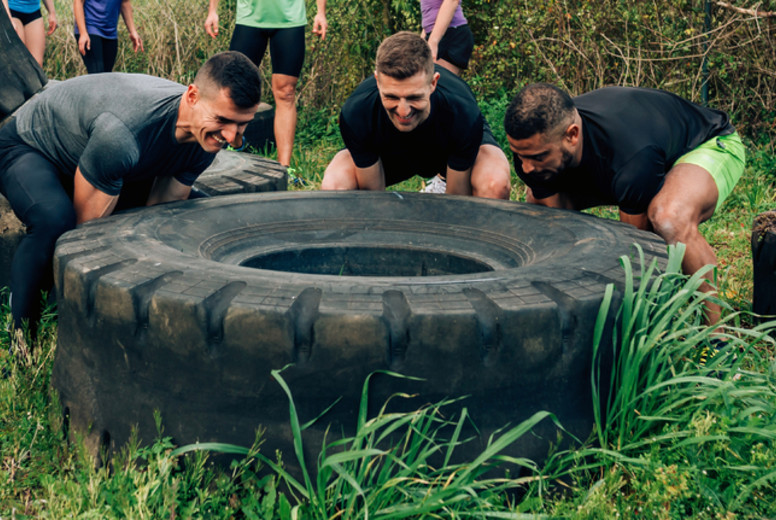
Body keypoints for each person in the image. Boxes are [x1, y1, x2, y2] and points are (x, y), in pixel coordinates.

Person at [0, 51, 261, 342]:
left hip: (94, 156)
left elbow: (161, 214)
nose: (231, 136)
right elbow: (83, 238)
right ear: (192, 96)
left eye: (242, 123)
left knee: (193, 210)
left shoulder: (206, 139)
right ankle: (22, 336)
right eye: (223, 120)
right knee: (56, 219)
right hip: (29, 146)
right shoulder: (123, 136)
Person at [504, 83, 745, 323]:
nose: (526, 167)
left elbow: (638, 251)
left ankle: (716, 337)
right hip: (636, 161)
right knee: (539, 203)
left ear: (572, 135)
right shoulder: (532, 153)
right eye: (519, 155)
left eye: (538, 157)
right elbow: (559, 228)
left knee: (668, 217)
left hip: (707, 143)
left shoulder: (630, 157)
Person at [321, 31, 510, 200]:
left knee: (494, 183)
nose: (403, 111)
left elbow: (456, 202)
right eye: (391, 97)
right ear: (378, 81)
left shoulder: (461, 110)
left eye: (414, 97)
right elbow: (374, 198)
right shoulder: (357, 111)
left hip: (447, 152)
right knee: (334, 184)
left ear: (433, 84)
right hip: (390, 153)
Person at [205, 0, 327, 168]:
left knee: (286, 92)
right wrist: (213, 11)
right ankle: (236, 144)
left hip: (290, 20)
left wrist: (321, 12)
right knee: (234, 88)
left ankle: (284, 168)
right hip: (249, 19)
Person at [73, 0, 143, 73]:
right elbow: (78, 1)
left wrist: (133, 31)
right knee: (97, 73)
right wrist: (83, 33)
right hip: (90, 28)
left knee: (107, 75)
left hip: (110, 32)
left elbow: (125, 2)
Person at [420, 0, 474, 76]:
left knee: (437, 83)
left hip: (450, 33)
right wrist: (421, 41)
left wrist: (433, 42)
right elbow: (430, 16)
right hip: (434, 34)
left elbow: (452, 1)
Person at [7, 0, 57, 66]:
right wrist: (8, 18)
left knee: (37, 64)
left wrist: (52, 13)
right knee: (20, 62)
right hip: (12, 11)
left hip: (34, 11)